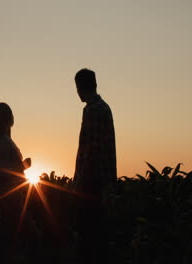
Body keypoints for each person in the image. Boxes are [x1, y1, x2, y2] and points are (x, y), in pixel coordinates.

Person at [73, 68, 116, 264]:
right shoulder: (104, 107)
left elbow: (91, 152)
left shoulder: (92, 110)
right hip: (103, 180)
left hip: (92, 181)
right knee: (99, 234)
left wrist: (79, 182)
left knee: (87, 235)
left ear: (80, 87)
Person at [0, 102, 31, 263]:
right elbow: (8, 172)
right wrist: (25, 164)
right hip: (11, 195)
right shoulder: (4, 142)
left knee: (5, 236)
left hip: (3, 195)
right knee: (16, 237)